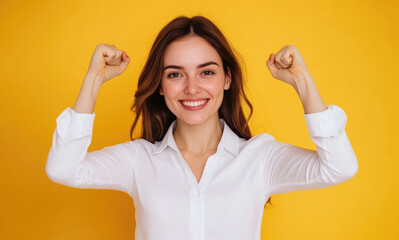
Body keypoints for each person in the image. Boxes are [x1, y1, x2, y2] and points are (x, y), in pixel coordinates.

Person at [45, 15, 358, 240]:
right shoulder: (137, 160)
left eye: (206, 72)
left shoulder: (259, 158)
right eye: (175, 74)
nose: (192, 88)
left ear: (227, 78)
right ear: (160, 86)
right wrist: (94, 79)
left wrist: (303, 81)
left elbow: (339, 168)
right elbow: (63, 169)